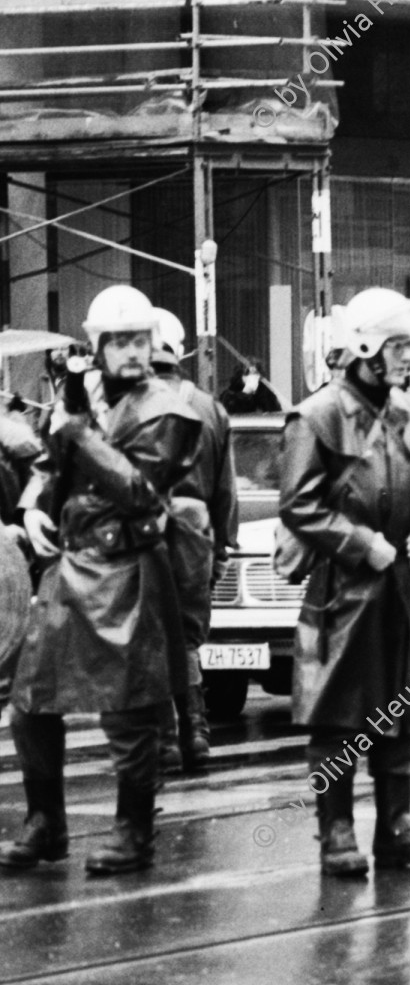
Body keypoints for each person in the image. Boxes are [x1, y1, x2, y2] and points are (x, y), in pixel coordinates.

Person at [0, 286, 203, 874]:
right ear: (100, 345)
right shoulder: (88, 401)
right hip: (71, 562)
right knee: (31, 699)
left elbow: (140, 490)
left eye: (140, 339)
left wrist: (77, 433)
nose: (133, 351)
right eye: (120, 341)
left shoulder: (170, 410)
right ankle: (44, 823)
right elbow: (48, 467)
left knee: (130, 710)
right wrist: (35, 503)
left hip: (127, 568)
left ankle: (134, 831)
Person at [279, 287, 410, 877]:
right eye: (399, 345)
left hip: (399, 588)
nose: (408, 357)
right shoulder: (317, 416)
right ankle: (336, 833)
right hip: (341, 591)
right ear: (365, 347)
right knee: (338, 717)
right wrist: (363, 544)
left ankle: (397, 828)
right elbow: (298, 506)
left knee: (399, 710)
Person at [149, 309, 238, 774]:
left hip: (141, 534)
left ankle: (165, 738)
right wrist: (222, 548)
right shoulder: (210, 407)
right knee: (184, 637)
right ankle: (197, 731)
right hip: (195, 536)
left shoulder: (126, 404)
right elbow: (226, 489)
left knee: (148, 636)